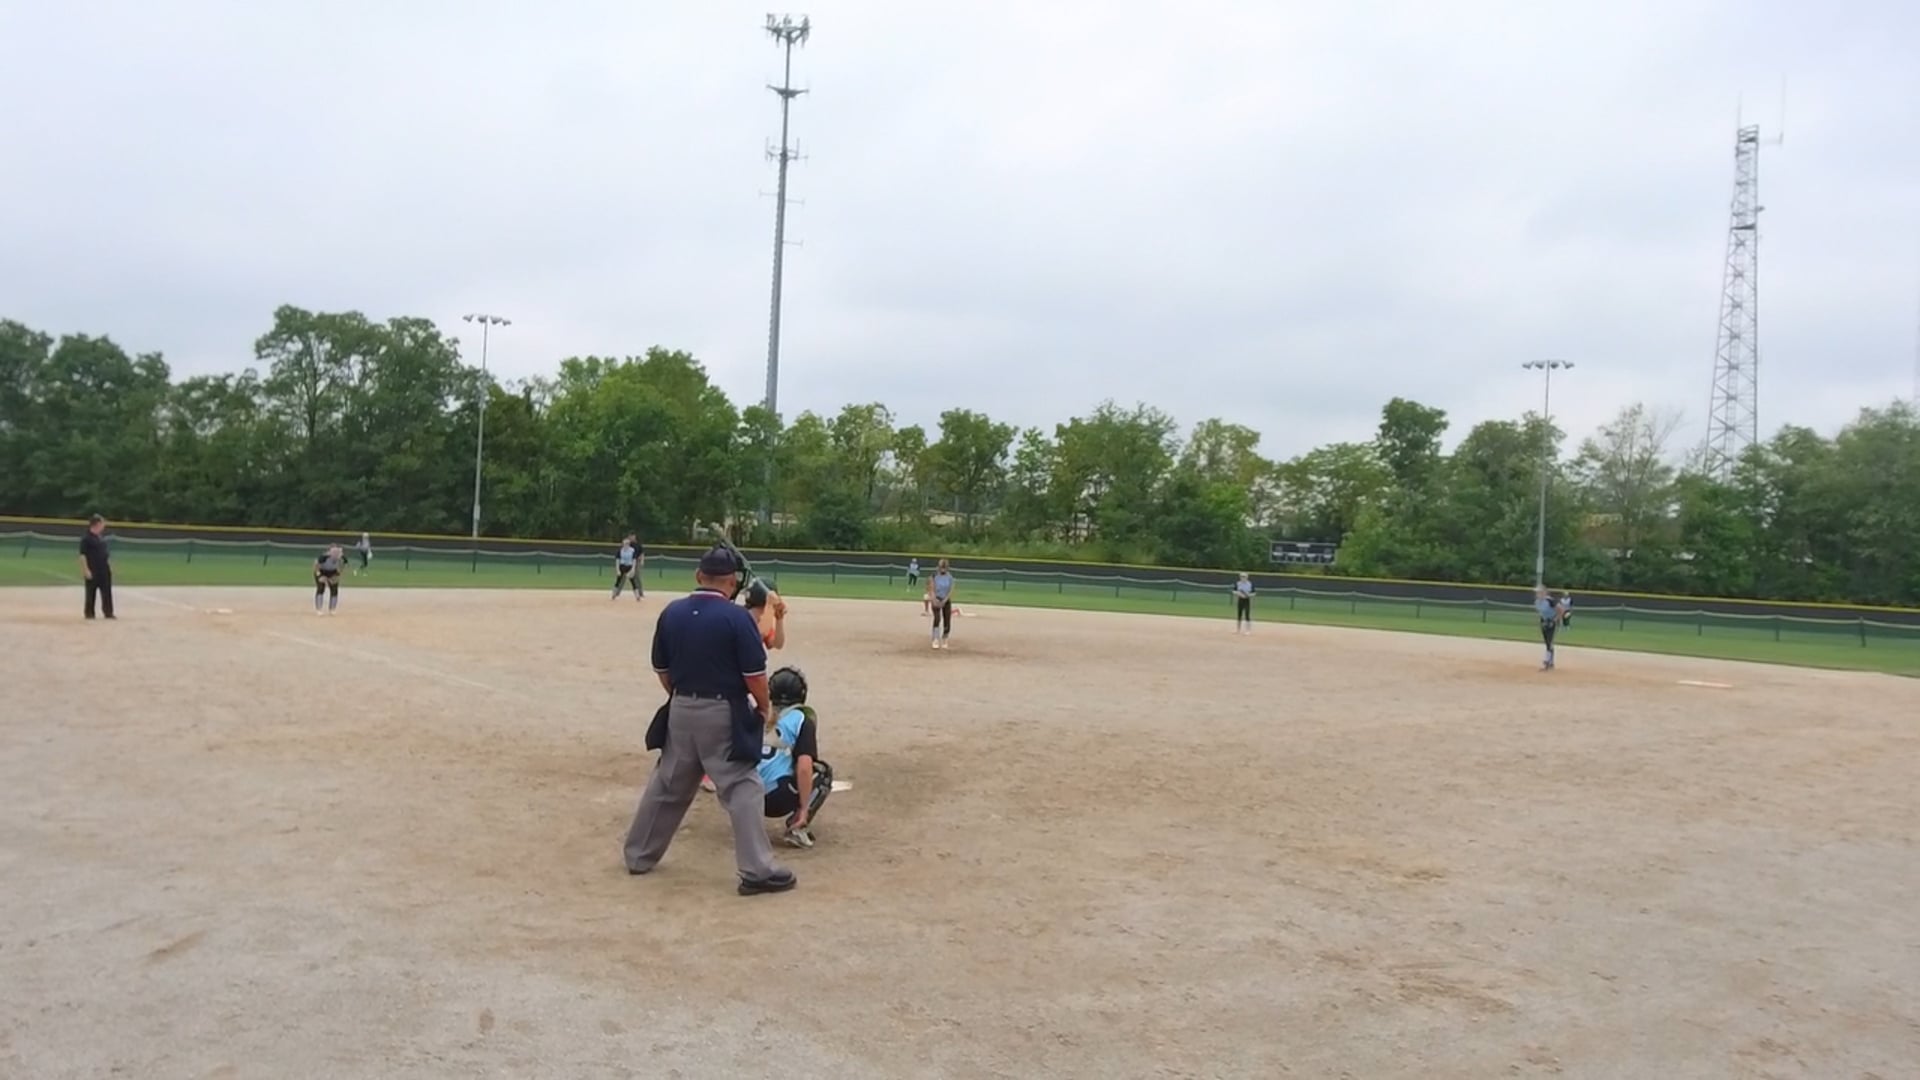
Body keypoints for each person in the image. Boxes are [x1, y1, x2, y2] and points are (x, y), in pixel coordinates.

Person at [624, 546, 796, 896]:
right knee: (742, 786)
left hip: (680, 708)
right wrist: (764, 707)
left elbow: (663, 670)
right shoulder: (737, 618)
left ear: (698, 576)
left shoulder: (672, 612)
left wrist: (683, 697)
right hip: (723, 710)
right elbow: (754, 676)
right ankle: (758, 870)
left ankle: (638, 855)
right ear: (732, 582)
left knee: (668, 783)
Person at [701, 578, 786, 794]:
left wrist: (779, 618)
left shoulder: (762, 618)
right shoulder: (743, 618)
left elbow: (777, 643)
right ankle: (708, 773)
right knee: (723, 727)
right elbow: (757, 634)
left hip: (741, 682)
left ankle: (725, 768)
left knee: (736, 726)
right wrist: (770, 607)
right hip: (726, 679)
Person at [758, 666, 832, 849]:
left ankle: (746, 822)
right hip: (777, 798)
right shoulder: (801, 719)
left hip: (746, 795)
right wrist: (804, 808)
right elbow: (805, 767)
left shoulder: (759, 713)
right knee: (822, 772)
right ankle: (797, 827)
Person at [79, 514, 115, 621]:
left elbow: (105, 554)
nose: (104, 525)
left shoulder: (101, 538)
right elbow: (82, 555)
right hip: (93, 569)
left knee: (107, 592)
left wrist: (110, 566)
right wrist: (86, 570)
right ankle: (89, 613)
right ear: (97, 524)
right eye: (102, 523)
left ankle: (108, 612)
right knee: (91, 592)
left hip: (104, 569)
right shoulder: (86, 539)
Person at [928, 558, 956, 649]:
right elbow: (931, 589)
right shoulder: (934, 576)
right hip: (936, 599)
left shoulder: (950, 577)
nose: (943, 569)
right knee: (937, 618)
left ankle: (945, 638)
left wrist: (945, 600)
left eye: (945, 568)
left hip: (946, 600)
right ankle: (935, 638)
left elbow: (951, 590)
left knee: (947, 619)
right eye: (941, 567)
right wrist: (934, 599)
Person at [1534, 585, 1563, 671]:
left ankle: (1547, 661)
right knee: (1547, 642)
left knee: (1549, 642)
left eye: (1539, 592)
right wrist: (1542, 622)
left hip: (1553, 621)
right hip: (1544, 622)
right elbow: (1541, 613)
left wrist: (1554, 620)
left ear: (1544, 593)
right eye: (1537, 592)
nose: (1537, 594)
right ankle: (1551, 663)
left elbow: (1561, 610)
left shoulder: (1550, 601)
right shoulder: (1537, 602)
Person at [314, 543, 346, 615]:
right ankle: (319, 609)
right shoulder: (324, 557)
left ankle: (332, 609)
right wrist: (319, 575)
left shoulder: (341, 557)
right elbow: (316, 565)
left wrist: (338, 574)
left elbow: (344, 565)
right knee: (321, 588)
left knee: (334, 589)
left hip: (332, 572)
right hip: (322, 571)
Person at [610, 534, 643, 601]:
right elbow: (617, 560)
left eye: (627, 544)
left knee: (633, 581)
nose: (626, 545)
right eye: (625, 544)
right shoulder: (620, 551)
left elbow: (634, 560)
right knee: (618, 581)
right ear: (623, 544)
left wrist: (633, 570)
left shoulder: (632, 551)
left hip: (629, 567)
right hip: (622, 566)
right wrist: (617, 570)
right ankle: (614, 594)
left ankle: (637, 596)